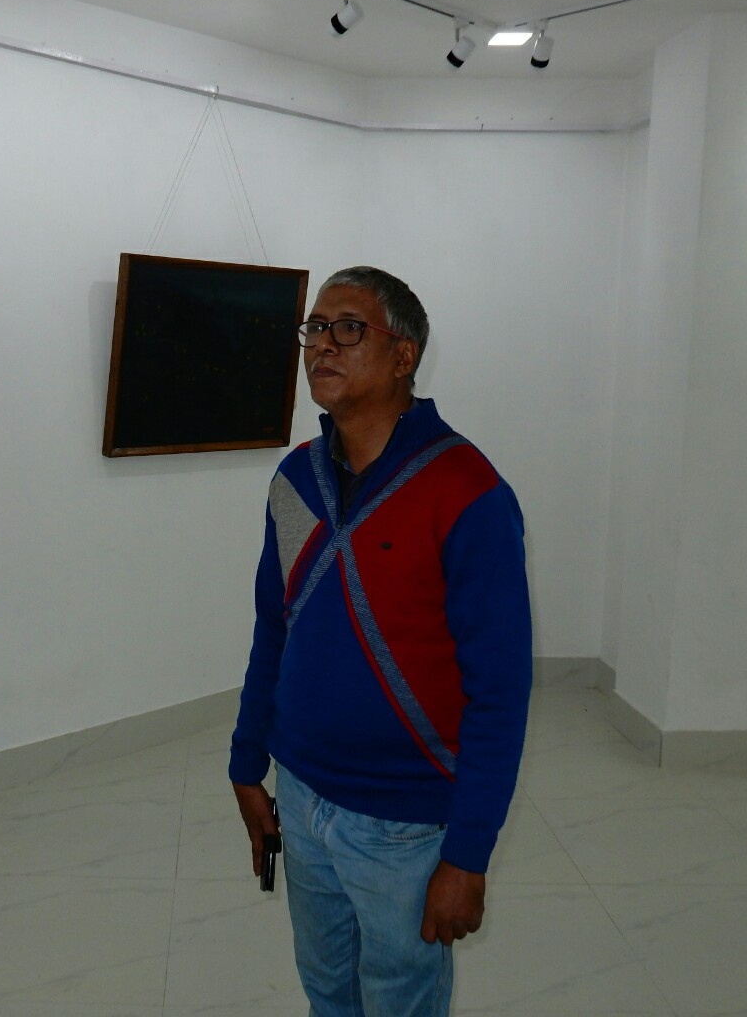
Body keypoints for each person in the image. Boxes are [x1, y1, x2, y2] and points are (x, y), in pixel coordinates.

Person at [229, 265, 533, 1017]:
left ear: (404, 356)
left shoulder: (468, 492)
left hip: (404, 822)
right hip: (302, 793)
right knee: (327, 991)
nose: (321, 346)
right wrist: (247, 762)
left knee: (400, 1001)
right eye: (315, 328)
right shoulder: (294, 480)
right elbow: (273, 627)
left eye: (348, 328)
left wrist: (467, 854)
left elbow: (499, 692)